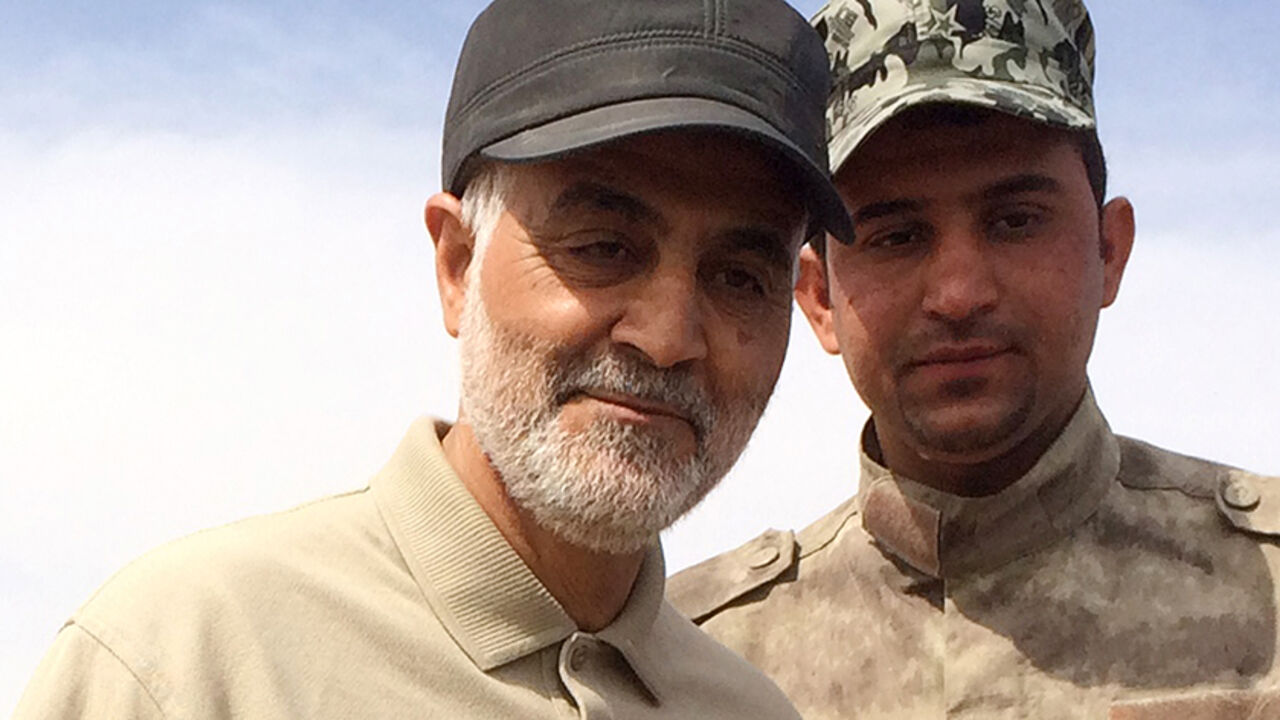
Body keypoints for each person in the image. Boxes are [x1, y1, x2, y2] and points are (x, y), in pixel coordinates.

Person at [14, 1, 855, 717]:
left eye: (739, 277)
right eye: (602, 247)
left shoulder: (744, 708)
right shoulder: (186, 666)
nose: (670, 336)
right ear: (456, 265)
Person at [669, 0, 1280, 718]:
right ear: (819, 298)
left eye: (1014, 221)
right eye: (897, 236)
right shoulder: (696, 667)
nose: (959, 294)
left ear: (1109, 252)